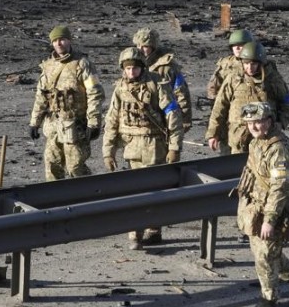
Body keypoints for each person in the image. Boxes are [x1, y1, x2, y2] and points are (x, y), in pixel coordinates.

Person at [233, 102, 289, 307]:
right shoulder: (258, 142)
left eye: (258, 122)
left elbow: (281, 187)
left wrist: (270, 219)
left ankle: (268, 303)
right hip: (256, 208)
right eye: (250, 123)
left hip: (274, 211)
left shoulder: (278, 148)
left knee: (265, 256)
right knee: (266, 253)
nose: (254, 127)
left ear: (269, 121)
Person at [102, 47, 185, 249]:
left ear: (142, 67)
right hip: (131, 146)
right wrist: (108, 151)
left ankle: (154, 230)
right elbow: (112, 120)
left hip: (154, 145)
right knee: (136, 191)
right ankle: (136, 232)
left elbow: (173, 115)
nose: (131, 73)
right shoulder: (120, 88)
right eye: (128, 69)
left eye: (135, 68)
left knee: (154, 190)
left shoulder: (157, 84)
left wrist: (174, 147)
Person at [28, 25, 105, 181]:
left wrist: (94, 123)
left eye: (62, 39)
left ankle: (89, 196)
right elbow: (41, 97)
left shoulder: (82, 64)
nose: (59, 43)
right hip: (53, 125)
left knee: (75, 167)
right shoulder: (48, 66)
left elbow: (95, 94)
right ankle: (55, 199)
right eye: (55, 41)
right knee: (51, 166)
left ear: (69, 41)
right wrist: (34, 123)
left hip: (75, 126)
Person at [205, 41, 289, 155]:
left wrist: (280, 123)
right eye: (246, 63)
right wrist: (213, 134)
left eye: (253, 64)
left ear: (260, 63)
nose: (249, 68)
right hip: (238, 136)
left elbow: (288, 103)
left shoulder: (272, 80)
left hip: (265, 135)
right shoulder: (234, 79)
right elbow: (220, 106)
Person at [133, 27, 193, 131]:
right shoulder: (135, 66)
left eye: (145, 46)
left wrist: (184, 121)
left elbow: (181, 93)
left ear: (153, 47)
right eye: (138, 45)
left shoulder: (167, 68)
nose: (141, 49)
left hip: (164, 119)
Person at [206, 28, 254, 99]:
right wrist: (215, 100)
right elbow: (213, 86)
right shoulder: (226, 63)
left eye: (240, 45)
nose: (237, 48)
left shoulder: (258, 63)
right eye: (234, 45)